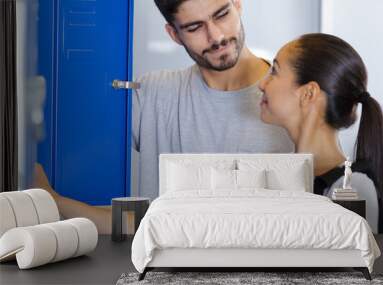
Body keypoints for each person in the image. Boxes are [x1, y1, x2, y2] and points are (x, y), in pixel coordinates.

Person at [35, 0, 293, 233]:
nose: (216, 36)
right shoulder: (153, 95)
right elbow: (137, 222)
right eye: (194, 27)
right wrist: (50, 198)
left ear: (238, 4)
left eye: (222, 14)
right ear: (174, 34)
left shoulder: (292, 102)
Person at [258, 33, 383, 233]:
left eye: (274, 71)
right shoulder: (278, 176)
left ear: (308, 93)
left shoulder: (351, 187)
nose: (261, 84)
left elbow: (347, 263)